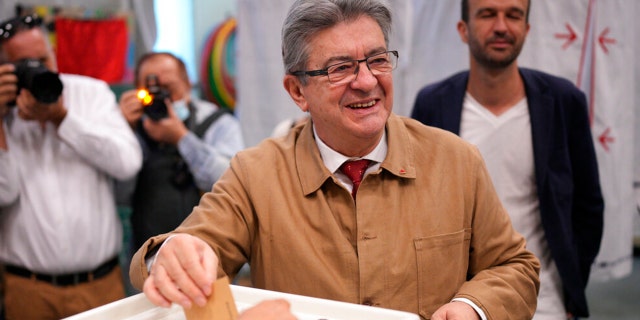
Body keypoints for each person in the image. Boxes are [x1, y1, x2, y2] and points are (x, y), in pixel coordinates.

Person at [130, 1, 540, 319]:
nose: (366, 81)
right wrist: (169, 257)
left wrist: (474, 305)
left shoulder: (455, 161)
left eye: (377, 60)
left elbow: (514, 267)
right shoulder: (256, 175)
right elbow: (187, 249)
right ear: (297, 91)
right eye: (340, 68)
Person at [410, 0, 604, 319]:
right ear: (463, 29)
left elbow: (588, 206)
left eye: (514, 15)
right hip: (456, 303)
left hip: (546, 300)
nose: (502, 26)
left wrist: (571, 288)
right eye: (487, 14)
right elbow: (415, 203)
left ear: (527, 29)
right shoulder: (434, 103)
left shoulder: (563, 102)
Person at [0, 13, 142, 320]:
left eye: (43, 59)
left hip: (100, 285)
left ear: (53, 53)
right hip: (28, 290)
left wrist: (62, 119)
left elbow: (127, 163)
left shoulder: (90, 93)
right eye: (24, 65)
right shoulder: (3, 112)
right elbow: (4, 191)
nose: (38, 71)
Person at [118, 52, 245, 250]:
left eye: (167, 89)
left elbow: (231, 181)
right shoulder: (132, 129)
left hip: (210, 254)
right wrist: (122, 131)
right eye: (150, 91)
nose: (160, 99)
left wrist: (181, 138)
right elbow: (119, 195)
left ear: (188, 84)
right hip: (150, 256)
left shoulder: (218, 123)